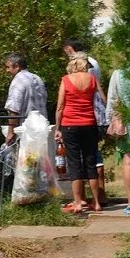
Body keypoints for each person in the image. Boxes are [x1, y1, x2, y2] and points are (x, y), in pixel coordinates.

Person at [54, 52, 107, 213]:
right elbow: (103, 100)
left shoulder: (65, 80)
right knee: (90, 162)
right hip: (89, 124)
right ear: (85, 64)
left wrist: (57, 128)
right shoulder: (92, 79)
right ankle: (97, 203)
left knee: (74, 162)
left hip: (70, 125)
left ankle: (78, 202)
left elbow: (60, 107)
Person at [106, 67, 130, 216]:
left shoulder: (118, 74)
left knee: (128, 162)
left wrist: (110, 121)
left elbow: (112, 99)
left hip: (126, 123)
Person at [3, 52, 48, 145]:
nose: (6, 70)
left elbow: (14, 109)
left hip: (26, 131)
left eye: (8, 67)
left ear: (16, 66)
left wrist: (11, 132)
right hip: (42, 128)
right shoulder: (37, 78)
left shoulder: (18, 80)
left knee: (26, 158)